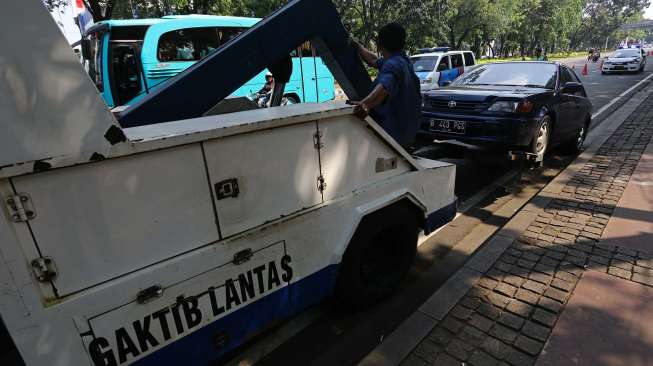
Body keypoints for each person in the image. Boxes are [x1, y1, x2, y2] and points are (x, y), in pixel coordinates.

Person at [350, 23, 421, 148]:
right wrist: (358, 47)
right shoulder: (402, 61)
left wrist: (365, 104)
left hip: (394, 136)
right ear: (403, 43)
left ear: (379, 44)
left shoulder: (393, 65)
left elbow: (383, 88)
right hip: (409, 133)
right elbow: (374, 61)